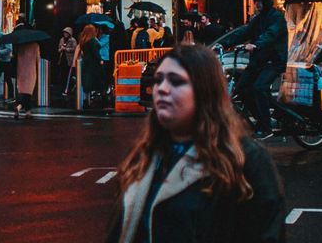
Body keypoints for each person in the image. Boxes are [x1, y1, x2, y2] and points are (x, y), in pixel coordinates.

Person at [104, 44, 285, 243]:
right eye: (159, 80)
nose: (162, 89)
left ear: (204, 91)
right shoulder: (144, 155)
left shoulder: (246, 160)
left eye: (176, 81)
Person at [218, 0, 286, 138]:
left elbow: (271, 35)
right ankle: (260, 122)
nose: (258, 4)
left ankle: (267, 128)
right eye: (256, 1)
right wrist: (224, 43)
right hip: (259, 60)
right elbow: (244, 32)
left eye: (260, 1)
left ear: (267, 1)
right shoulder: (258, 19)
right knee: (241, 89)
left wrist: (256, 45)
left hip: (273, 61)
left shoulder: (277, 18)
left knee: (259, 88)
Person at [58, 28, 79, 98]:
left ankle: (68, 89)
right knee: (62, 75)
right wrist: (61, 49)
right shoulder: (61, 39)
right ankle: (63, 89)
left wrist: (66, 49)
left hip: (69, 59)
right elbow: (58, 48)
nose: (65, 34)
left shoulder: (72, 40)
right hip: (62, 59)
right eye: (64, 33)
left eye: (67, 33)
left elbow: (75, 48)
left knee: (69, 75)